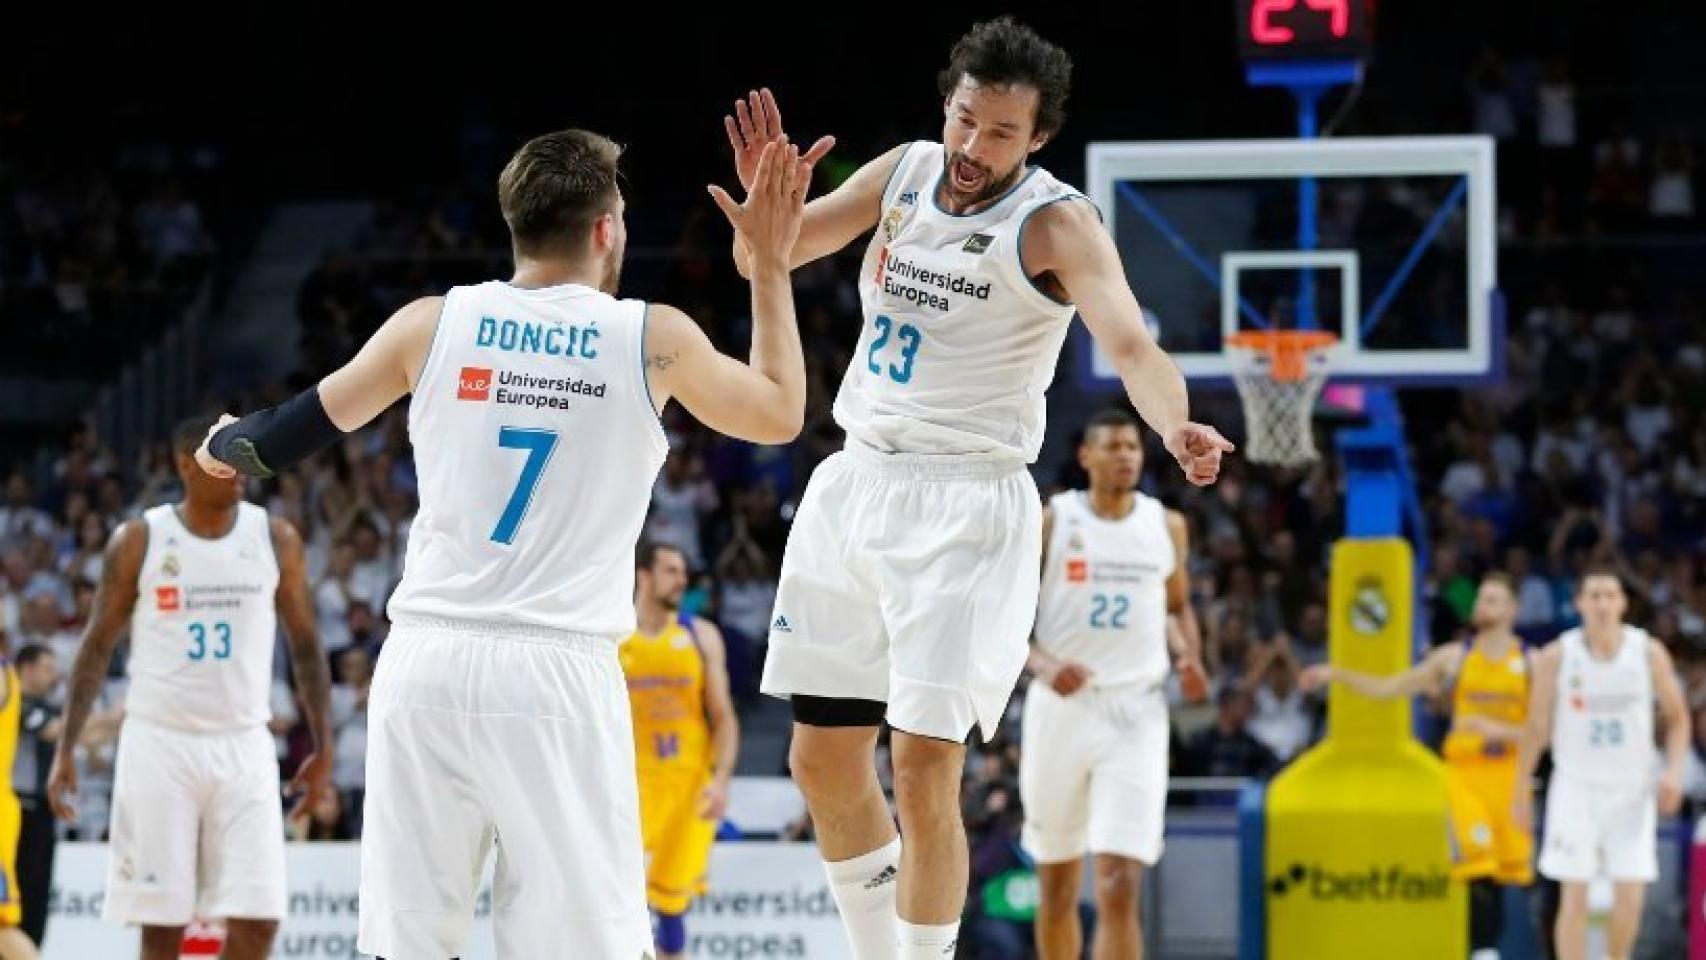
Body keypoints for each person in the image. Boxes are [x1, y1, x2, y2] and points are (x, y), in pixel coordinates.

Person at [192, 129, 816, 957]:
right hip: (556, 674)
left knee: (408, 944)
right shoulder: (651, 336)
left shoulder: (431, 324)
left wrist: (221, 445)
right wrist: (770, 262)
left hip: (426, 665)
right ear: (605, 230)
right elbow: (780, 412)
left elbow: (278, 440)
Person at [727, 18, 1231, 957]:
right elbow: (772, 259)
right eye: (965, 120)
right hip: (855, 482)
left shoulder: (1056, 221)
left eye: (1001, 132)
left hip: (966, 505)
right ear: (946, 107)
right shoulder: (906, 170)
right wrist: (769, 216)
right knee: (822, 762)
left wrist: (1174, 422)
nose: (973, 146)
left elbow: (1127, 341)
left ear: (1037, 138)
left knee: (922, 771)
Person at [44, 415, 333, 960]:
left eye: (242, 453)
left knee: (259, 922)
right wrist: (67, 748)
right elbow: (96, 644)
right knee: (162, 930)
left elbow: (306, 645)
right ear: (185, 463)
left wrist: (323, 745)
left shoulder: (275, 538)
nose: (239, 468)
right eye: (222, 455)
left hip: (244, 742)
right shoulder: (139, 539)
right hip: (160, 743)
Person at [1020, 408, 1205, 959]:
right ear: (1086, 456)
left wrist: (1190, 655)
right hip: (1061, 708)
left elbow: (1177, 607)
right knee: (1055, 885)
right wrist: (1046, 666)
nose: (1125, 454)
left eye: (1133, 446)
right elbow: (1006, 618)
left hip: (1136, 711)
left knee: (1120, 882)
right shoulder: (1054, 519)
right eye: (1114, 445)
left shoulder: (1167, 525)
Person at [1302, 573, 1534, 959]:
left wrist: (1498, 729)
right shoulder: (1454, 657)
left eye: (1493, 599)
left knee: (1507, 877)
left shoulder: (1531, 661)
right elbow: (1392, 687)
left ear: (1513, 609)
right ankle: (1484, 953)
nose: (1483, 604)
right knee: (1476, 869)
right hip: (1466, 777)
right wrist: (1337, 674)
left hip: (1510, 777)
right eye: (1481, 598)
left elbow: (1545, 730)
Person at [1513, 569, 1690, 960]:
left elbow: (1677, 717)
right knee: (1574, 894)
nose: (1603, 604)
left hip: (1632, 787)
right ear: (1579, 604)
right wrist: (1520, 790)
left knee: (1629, 891)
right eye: (1594, 595)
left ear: (1623, 603)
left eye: (1610, 595)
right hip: (1575, 786)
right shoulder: (1558, 656)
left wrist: (1675, 771)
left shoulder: (1647, 652)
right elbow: (1536, 727)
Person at [622, 541, 740, 960]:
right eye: (671, 570)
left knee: (672, 909)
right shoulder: (613, 636)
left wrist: (721, 782)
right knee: (616, 905)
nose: (683, 579)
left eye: (684, 571)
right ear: (644, 576)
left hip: (689, 787)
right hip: (628, 789)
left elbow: (723, 718)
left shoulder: (699, 635)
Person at [11, 645, 61, 948]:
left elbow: (73, 732)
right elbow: (57, 731)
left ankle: (31, 948)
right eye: (47, 668)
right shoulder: (14, 700)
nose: (54, 676)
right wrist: (112, 717)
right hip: (18, 807)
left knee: (38, 896)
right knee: (19, 895)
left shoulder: (45, 706)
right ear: (27, 669)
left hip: (43, 809)